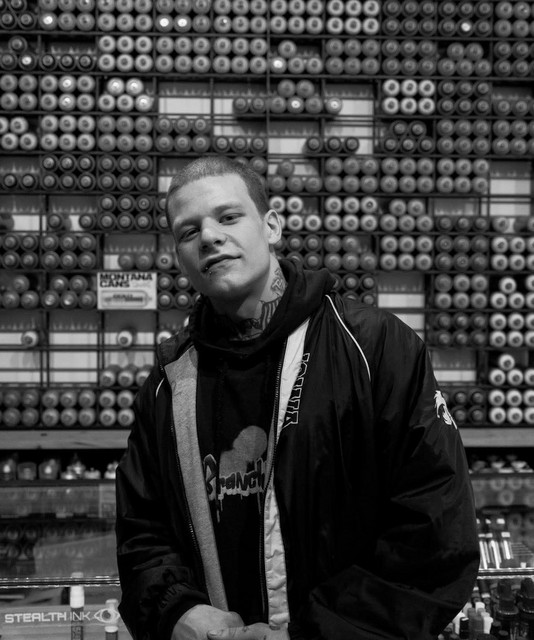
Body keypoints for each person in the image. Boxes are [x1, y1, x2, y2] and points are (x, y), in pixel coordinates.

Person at [115, 156, 480, 640]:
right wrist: (176, 611)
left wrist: (318, 634)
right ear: (179, 257)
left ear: (271, 226)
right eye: (188, 231)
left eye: (228, 217)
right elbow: (142, 529)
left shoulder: (375, 348)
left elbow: (433, 532)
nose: (209, 237)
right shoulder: (168, 382)